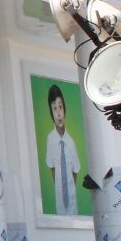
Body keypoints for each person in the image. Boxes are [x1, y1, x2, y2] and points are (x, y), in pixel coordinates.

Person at [44, 84, 81, 215]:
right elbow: (52, 167)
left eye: (60, 107)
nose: (58, 113)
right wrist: (60, 188)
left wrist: (69, 189)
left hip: (72, 203)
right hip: (59, 202)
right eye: (54, 108)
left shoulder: (71, 142)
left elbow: (75, 171)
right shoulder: (50, 139)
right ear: (51, 112)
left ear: (64, 109)